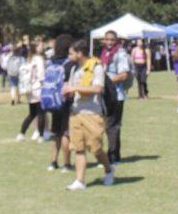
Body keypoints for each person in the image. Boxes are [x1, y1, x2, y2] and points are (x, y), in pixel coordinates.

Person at [62, 40, 114, 190]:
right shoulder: (74, 70)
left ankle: (108, 169)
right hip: (76, 112)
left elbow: (98, 89)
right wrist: (67, 92)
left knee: (96, 148)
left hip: (93, 113)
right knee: (79, 148)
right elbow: (73, 90)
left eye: (71, 53)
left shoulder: (96, 67)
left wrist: (74, 87)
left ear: (80, 53)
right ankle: (80, 181)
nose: (69, 56)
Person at [100, 31, 131, 163]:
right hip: (105, 94)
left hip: (116, 95)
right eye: (107, 39)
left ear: (116, 40)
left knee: (112, 125)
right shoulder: (104, 53)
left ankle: (112, 156)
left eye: (112, 40)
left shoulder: (120, 53)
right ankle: (114, 155)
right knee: (108, 125)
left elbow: (124, 75)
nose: (109, 42)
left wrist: (108, 83)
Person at [45, 34, 74, 173]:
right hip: (66, 101)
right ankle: (67, 163)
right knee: (65, 133)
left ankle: (53, 161)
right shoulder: (69, 64)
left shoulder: (51, 61)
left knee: (56, 132)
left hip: (52, 100)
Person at [17, 42, 46, 141]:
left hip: (29, 88)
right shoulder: (39, 59)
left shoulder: (29, 58)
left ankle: (22, 133)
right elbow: (41, 75)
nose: (43, 47)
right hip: (38, 88)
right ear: (36, 47)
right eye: (41, 45)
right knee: (41, 113)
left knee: (32, 113)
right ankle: (41, 136)